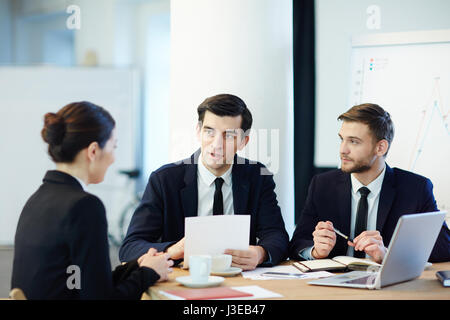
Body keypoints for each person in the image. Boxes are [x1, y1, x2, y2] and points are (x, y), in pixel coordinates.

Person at [11, 101, 173, 300]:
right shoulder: (84, 206)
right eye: (113, 147)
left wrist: (138, 266)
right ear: (94, 151)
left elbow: (89, 282)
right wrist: (149, 273)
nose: (113, 158)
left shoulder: (38, 198)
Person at [119, 94, 289, 270]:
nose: (216, 144)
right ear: (198, 131)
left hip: (239, 278)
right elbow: (130, 247)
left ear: (243, 141)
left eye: (229, 135)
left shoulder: (257, 177)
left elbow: (277, 236)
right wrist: (174, 249)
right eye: (209, 131)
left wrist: (260, 253)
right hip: (182, 281)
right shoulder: (165, 179)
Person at [289, 103, 450, 263]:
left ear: (380, 148)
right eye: (342, 139)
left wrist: (388, 254)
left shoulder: (416, 188)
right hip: (333, 284)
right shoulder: (323, 185)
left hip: (388, 285)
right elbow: (297, 244)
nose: (342, 149)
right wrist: (316, 251)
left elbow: (445, 247)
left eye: (353, 141)